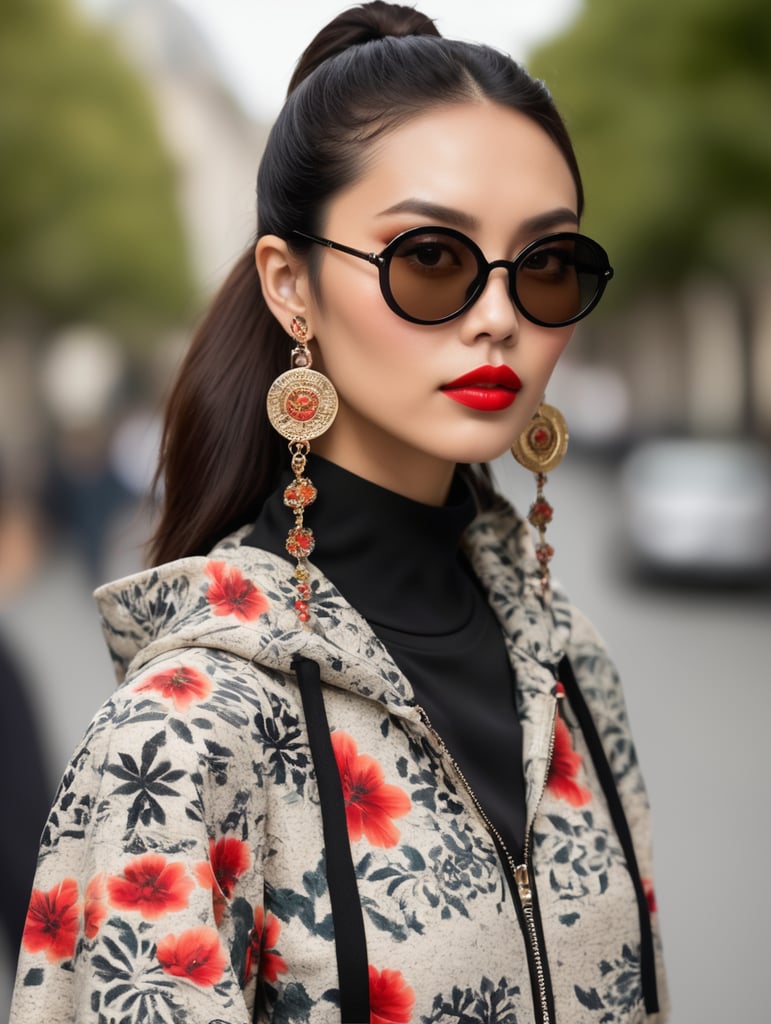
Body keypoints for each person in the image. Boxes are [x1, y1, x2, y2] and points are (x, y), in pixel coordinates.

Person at [10, 3, 668, 1022]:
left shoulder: (573, 667)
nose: (500, 314)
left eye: (545, 266)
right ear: (291, 286)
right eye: (432, 258)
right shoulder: (182, 732)